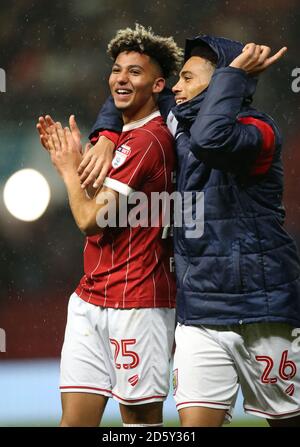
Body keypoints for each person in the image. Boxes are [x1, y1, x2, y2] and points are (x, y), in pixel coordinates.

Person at [86, 34, 300, 427]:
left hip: (262, 309)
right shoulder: (179, 119)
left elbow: (210, 139)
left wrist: (233, 76)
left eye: (187, 78)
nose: (176, 88)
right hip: (200, 314)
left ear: (223, 85)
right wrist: (106, 135)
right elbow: (128, 90)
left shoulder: (258, 132)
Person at [37, 24, 183, 427]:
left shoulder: (149, 141)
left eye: (135, 72)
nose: (121, 78)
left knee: (138, 424)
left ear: (158, 85)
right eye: (117, 69)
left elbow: (89, 219)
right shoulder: (120, 137)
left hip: (137, 301)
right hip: (91, 297)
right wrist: (83, 159)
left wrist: (68, 168)